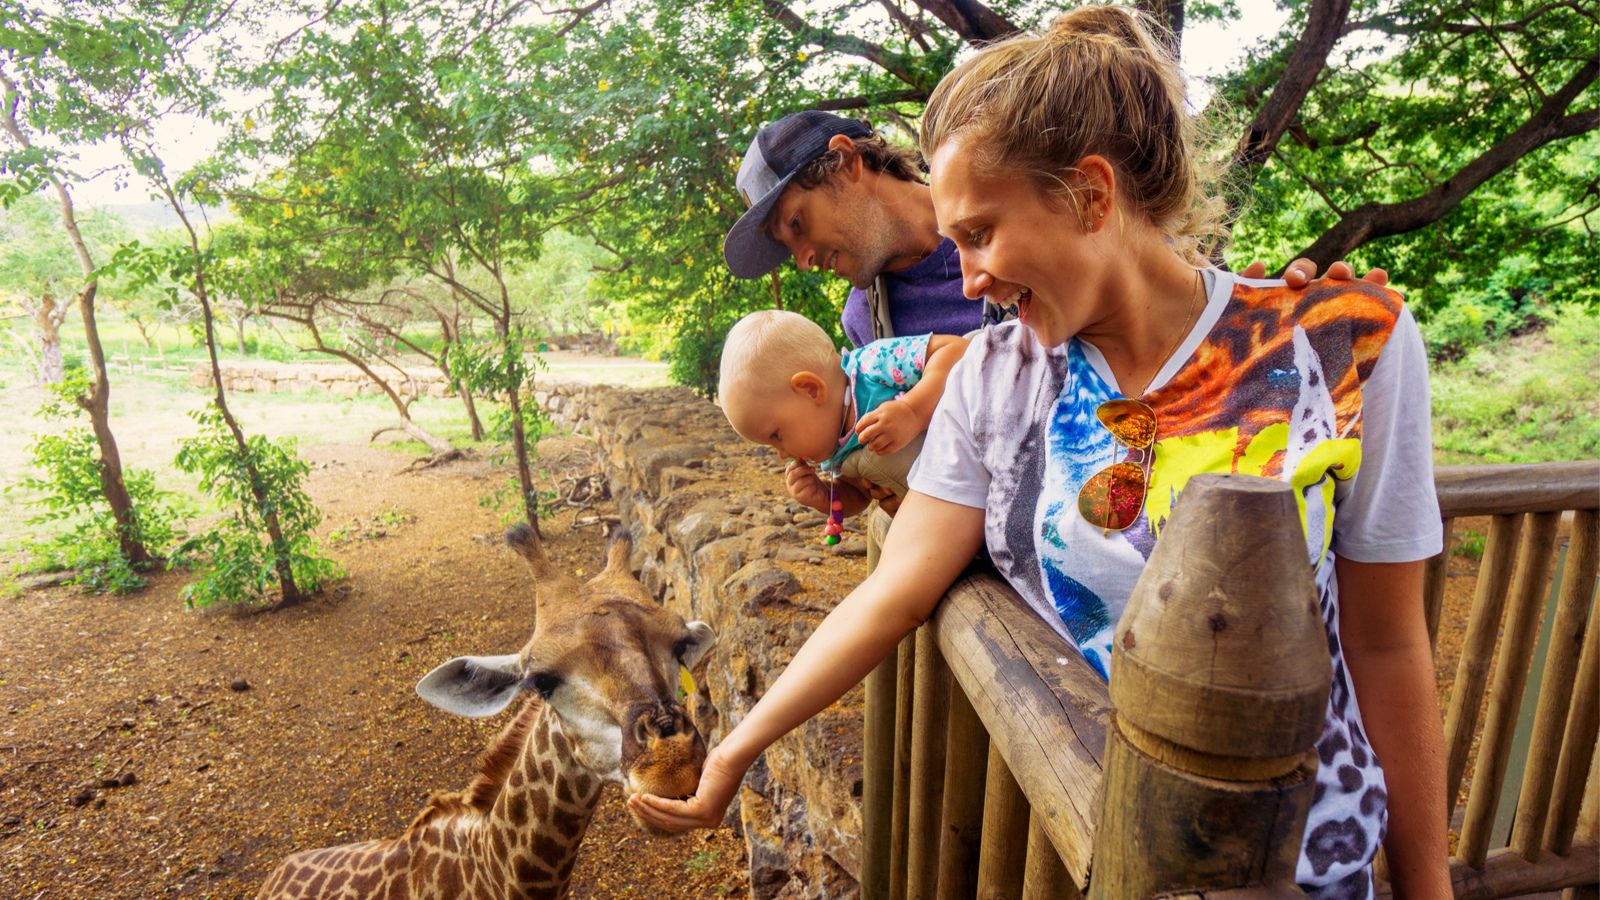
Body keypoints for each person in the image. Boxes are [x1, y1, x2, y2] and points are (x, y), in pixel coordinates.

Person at [642, 8, 1450, 899]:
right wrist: (737, 750)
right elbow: (892, 593)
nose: (970, 278)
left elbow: (1386, 646)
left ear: (1092, 196)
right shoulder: (995, 376)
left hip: (1306, 864)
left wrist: (1429, 887)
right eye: (955, 243)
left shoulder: (1347, 343)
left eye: (981, 235)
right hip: (1084, 848)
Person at [723, 111, 1387, 348]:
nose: (804, 257)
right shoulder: (868, 326)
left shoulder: (1037, 219)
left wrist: (1289, 318)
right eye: (790, 248)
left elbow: (1170, 306)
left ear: (844, 161)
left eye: (799, 225)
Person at [718, 309, 968, 516]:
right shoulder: (835, 450)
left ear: (810, 390)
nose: (783, 455)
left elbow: (957, 350)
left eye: (776, 436)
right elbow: (859, 497)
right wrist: (825, 496)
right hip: (950, 511)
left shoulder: (873, 366)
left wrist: (913, 410)